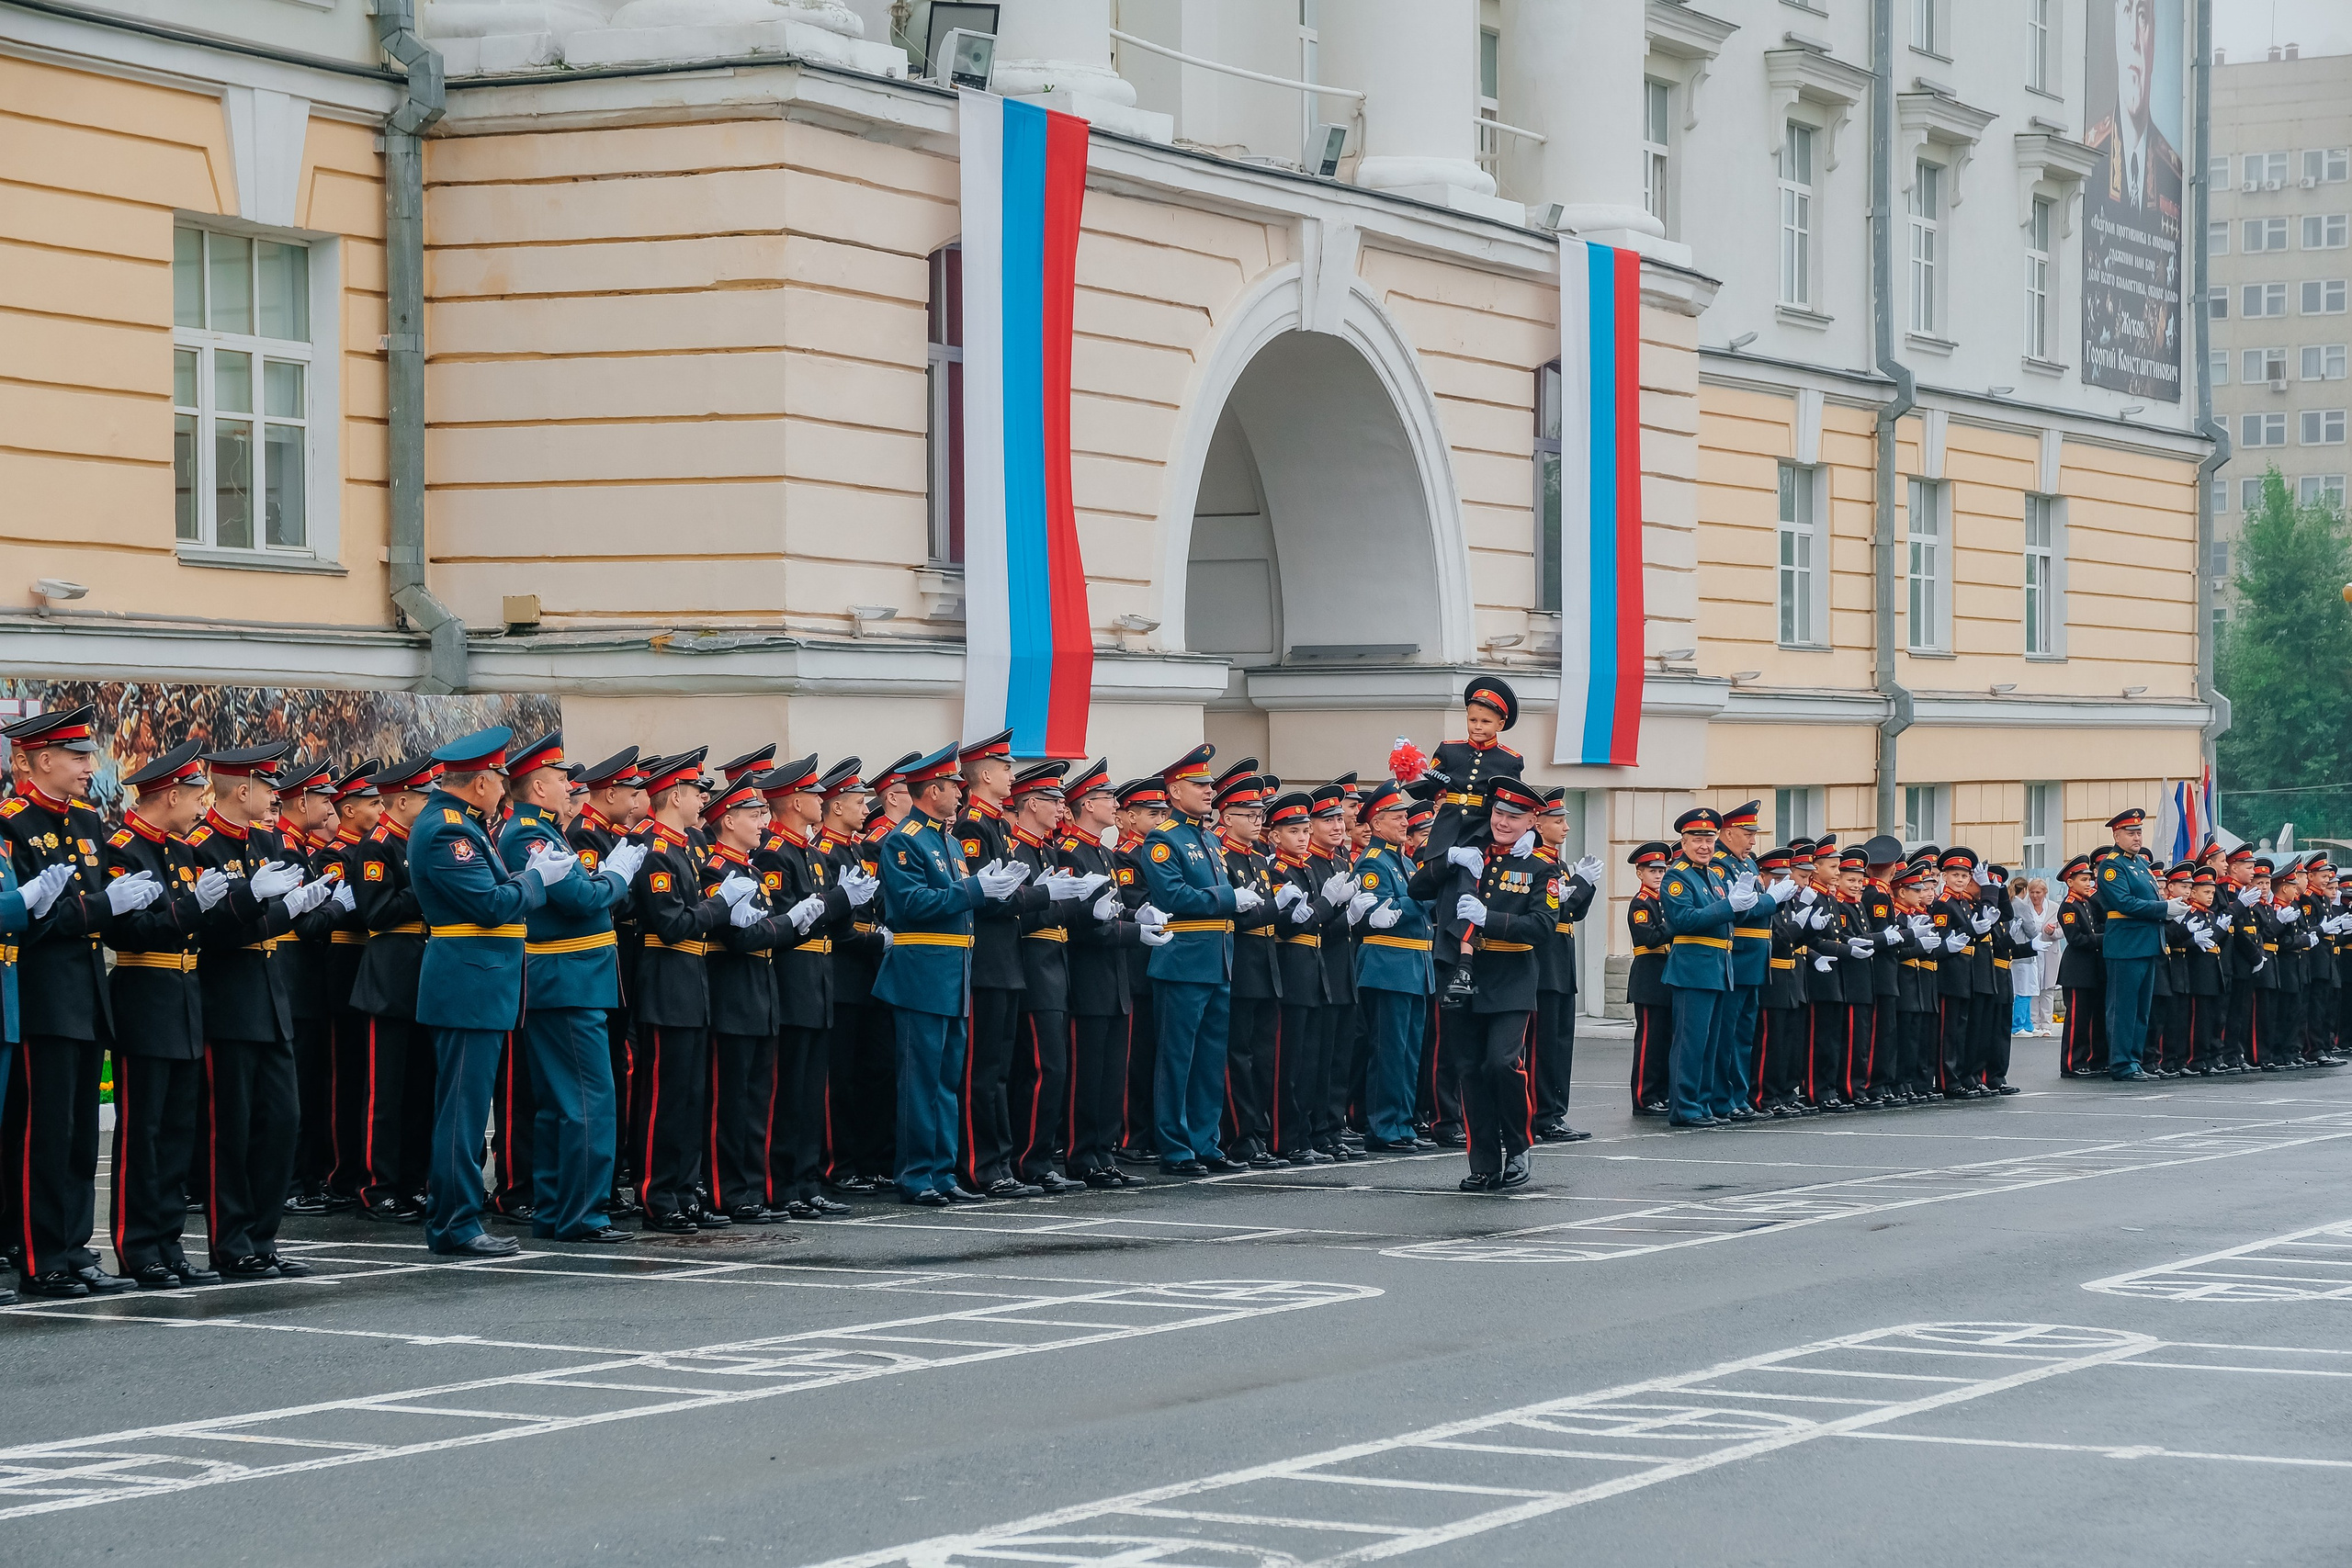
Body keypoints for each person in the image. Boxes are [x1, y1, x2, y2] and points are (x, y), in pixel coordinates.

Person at [2, 704, 153, 1299]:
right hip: (44, 994)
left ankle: (74, 1247)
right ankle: (41, 1258)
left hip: (87, 993)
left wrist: (115, 905)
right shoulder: (13, 825)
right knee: (45, 1132)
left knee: (78, 1137)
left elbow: (87, 907)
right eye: (78, 755)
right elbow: (30, 920)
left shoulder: (88, 822)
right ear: (43, 759)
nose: (91, 765)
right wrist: (101, 906)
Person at [409, 727, 578, 1258]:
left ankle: (458, 1218)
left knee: (465, 1106)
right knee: (461, 1111)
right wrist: (536, 881)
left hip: (481, 981)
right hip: (469, 982)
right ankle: (456, 1223)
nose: (505, 787)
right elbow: (489, 905)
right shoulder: (447, 832)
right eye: (499, 778)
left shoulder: (466, 826)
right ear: (480, 783)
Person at [187, 743, 338, 1279]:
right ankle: (232, 1243)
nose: (278, 797)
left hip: (271, 995)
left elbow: (275, 916)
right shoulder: (199, 846)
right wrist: (260, 903)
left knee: (282, 1121)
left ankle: (263, 1237)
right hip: (227, 998)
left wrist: (291, 906)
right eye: (269, 787)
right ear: (243, 790)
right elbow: (211, 930)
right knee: (230, 1129)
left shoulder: (266, 841)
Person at [499, 730, 640, 1244]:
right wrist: (618, 877)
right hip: (567, 983)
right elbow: (578, 898)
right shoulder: (527, 835)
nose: (569, 786)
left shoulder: (545, 831)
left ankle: (557, 1208)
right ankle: (581, 1213)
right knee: (587, 1102)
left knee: (564, 1103)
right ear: (537, 786)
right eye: (561, 779)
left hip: (571, 981)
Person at [872, 742, 1023, 1206]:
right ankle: (917, 1173)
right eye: (954, 786)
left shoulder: (950, 840)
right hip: (921, 976)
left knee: (946, 1082)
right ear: (932, 789)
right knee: (920, 1083)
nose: (961, 793)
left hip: (953, 975)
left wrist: (992, 889)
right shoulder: (903, 840)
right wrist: (974, 889)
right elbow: (911, 905)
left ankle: (942, 1170)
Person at [101, 741, 226, 1290]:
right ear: (172, 793)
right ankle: (136, 1246)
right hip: (145, 991)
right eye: (198, 795)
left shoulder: (178, 851)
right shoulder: (122, 849)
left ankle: (169, 1242)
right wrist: (191, 909)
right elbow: (128, 930)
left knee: (178, 1130)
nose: (204, 805)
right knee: (142, 1131)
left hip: (184, 992)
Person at [628, 750, 757, 1234]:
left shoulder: (683, 848)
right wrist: (720, 907)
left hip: (692, 985)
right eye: (697, 791)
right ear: (674, 795)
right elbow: (671, 923)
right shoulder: (654, 848)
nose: (705, 799)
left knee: (690, 1098)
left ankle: (684, 1190)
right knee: (665, 1100)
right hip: (666, 985)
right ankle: (658, 1196)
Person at [1137, 743, 1254, 1177]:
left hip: (1217, 959)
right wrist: (1227, 897)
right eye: (1198, 784)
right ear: (1173, 791)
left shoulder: (1207, 837)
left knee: (1209, 1059)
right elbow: (1172, 896)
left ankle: (1204, 1140)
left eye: (1209, 784)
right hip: (1183, 961)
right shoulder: (1163, 839)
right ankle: (1175, 1145)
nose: (1209, 791)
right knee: (1177, 1058)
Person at [1448, 776, 1550, 1190]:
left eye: (1514, 816)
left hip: (1512, 977)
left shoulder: (1541, 867)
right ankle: (1484, 1161)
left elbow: (1543, 925)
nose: (1503, 822)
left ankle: (1520, 1145)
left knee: (1502, 1063)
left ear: (1532, 820)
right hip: (1467, 973)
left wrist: (1491, 920)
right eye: (1499, 813)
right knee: (1470, 1069)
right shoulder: (1476, 856)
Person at [1056, 760, 1143, 1189]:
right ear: (1087, 804)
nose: (1115, 804)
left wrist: (1133, 916)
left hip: (1115, 978)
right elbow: (1081, 923)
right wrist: (1128, 929)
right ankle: (1081, 1155)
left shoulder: (1104, 852)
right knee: (1087, 1075)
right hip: (1089, 977)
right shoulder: (1071, 851)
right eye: (1108, 798)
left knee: (1111, 1076)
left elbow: (1110, 909)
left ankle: (1103, 1152)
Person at [1348, 780, 1431, 1154]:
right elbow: (1386, 911)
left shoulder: (1405, 860)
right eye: (1396, 816)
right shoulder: (1372, 862)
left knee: (1408, 1051)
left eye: (1404, 815)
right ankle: (1383, 1126)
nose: (1404, 821)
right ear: (1376, 823)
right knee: (1389, 1052)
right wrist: (1422, 897)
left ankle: (1402, 1121)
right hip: (1389, 963)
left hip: (1412, 963)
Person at [1266, 790, 1343, 1159]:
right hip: (1291, 968)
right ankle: (1285, 1138)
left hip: (1314, 968)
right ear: (1275, 835)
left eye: (1303, 830)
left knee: (1311, 1061)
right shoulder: (1277, 869)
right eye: (1293, 831)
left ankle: (1305, 1135)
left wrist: (1346, 913)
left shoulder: (1307, 868)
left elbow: (1316, 924)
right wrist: (1328, 905)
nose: (1301, 837)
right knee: (1290, 1063)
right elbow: (1291, 925)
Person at [1657, 808, 1744, 1128]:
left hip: (1719, 967)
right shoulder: (1676, 876)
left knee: (1711, 1041)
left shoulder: (1714, 876)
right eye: (1697, 839)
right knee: (1691, 1042)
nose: (1705, 845)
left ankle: (1703, 1103)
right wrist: (1728, 906)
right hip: (1693, 968)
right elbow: (1683, 920)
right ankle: (1685, 1106)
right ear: (1683, 841)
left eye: (1709, 839)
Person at [1529, 788, 1600, 1141]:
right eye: (1558, 821)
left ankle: (1554, 1113)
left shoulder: (1555, 862)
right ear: (1538, 824)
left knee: (1559, 1045)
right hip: (1544, 963)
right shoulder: (1537, 864)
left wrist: (1584, 886)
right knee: (1543, 1047)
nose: (1567, 827)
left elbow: (1575, 913)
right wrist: (1581, 886)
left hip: (1560, 962)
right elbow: (1560, 910)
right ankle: (1541, 1115)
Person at [2093, 807, 2179, 1083]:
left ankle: (2134, 1060)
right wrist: (2164, 908)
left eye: (2139, 832)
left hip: (2146, 942)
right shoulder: (2111, 865)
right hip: (2127, 944)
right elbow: (2124, 903)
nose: (2137, 837)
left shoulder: (2139, 864)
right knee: (2123, 1008)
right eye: (2131, 833)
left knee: (2141, 1009)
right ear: (2117, 835)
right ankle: (2121, 1063)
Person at [1710, 801, 1781, 1122]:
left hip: (1753, 960)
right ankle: (1723, 1099)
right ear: (1727, 833)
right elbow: (1740, 909)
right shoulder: (1719, 865)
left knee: (1743, 1035)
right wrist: (1770, 901)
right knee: (1727, 1034)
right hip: (1735, 958)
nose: (1753, 841)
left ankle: (1739, 1097)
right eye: (1747, 833)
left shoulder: (1748, 865)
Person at [1624, 841, 1672, 1114]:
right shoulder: (1640, 903)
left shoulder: (1664, 901)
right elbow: (1650, 937)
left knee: (1665, 1039)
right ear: (1639, 873)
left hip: (1666, 975)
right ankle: (1644, 1096)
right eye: (1651, 870)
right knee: (1649, 1042)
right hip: (1649, 976)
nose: (1658, 875)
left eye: (1662, 870)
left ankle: (1662, 1092)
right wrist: (1676, 923)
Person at [2054, 855, 2107, 1077]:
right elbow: (2077, 939)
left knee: (2091, 1018)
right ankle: (2071, 1063)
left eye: (2089, 879)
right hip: (2077, 970)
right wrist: (2105, 938)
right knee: (2077, 1019)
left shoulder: (2086, 903)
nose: (2089, 884)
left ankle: (2090, 1060)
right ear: (2070, 882)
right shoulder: (2069, 907)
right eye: (2084, 880)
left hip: (2091, 969)